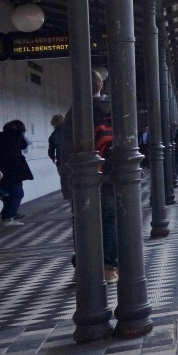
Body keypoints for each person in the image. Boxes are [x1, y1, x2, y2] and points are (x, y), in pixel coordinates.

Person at [65, 70, 118, 282]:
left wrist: (67, 183)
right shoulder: (113, 109)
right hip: (109, 175)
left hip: (81, 179)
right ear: (100, 86)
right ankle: (108, 268)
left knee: (80, 220)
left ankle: (83, 268)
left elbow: (66, 151)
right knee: (109, 220)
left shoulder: (73, 114)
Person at [0, 120, 33, 226]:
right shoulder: (17, 136)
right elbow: (25, 145)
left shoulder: (0, 135)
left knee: (11, 193)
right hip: (14, 171)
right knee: (18, 193)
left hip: (0, 169)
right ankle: (7, 217)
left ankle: (9, 213)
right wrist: (22, 134)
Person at [47, 113, 71, 200]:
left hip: (61, 162)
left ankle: (69, 200)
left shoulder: (53, 135)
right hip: (73, 160)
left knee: (65, 181)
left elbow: (51, 151)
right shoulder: (71, 131)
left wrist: (54, 159)